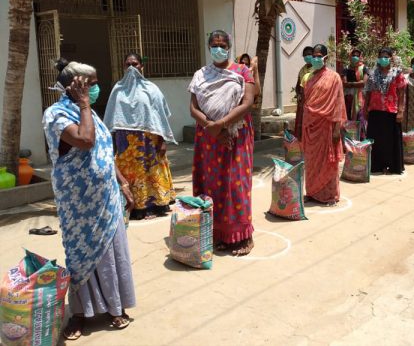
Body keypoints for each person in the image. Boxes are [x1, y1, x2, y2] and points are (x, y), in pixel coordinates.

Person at [42, 59, 135, 340]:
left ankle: (114, 306)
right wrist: (84, 104)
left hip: (106, 198)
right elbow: (86, 141)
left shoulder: (89, 112)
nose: (95, 89)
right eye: (90, 84)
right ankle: (80, 314)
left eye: (95, 83)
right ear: (74, 86)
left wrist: (122, 182)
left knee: (112, 253)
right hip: (78, 204)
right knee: (81, 257)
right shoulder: (56, 114)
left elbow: (104, 150)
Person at [189, 30, 256, 256]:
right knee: (212, 184)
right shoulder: (201, 74)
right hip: (209, 138)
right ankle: (219, 234)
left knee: (236, 184)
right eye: (214, 45)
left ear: (229, 47)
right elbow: (193, 108)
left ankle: (243, 236)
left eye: (222, 45)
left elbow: (247, 103)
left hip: (236, 136)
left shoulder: (242, 71)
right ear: (209, 48)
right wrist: (213, 128)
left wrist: (222, 124)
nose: (218, 48)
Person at [104, 53, 176, 220]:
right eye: (128, 64)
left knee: (151, 171)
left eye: (135, 64)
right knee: (131, 174)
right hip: (126, 143)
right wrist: (112, 143)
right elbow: (111, 117)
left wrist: (162, 140)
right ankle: (134, 206)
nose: (131, 67)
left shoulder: (151, 89)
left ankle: (157, 204)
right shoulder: (118, 89)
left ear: (141, 67)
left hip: (149, 140)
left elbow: (161, 116)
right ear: (123, 67)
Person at [301, 44, 346, 205]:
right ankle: (312, 192)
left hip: (326, 126)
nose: (316, 58)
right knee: (311, 161)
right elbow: (306, 102)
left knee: (328, 160)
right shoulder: (309, 77)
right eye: (314, 56)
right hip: (310, 127)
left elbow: (338, 104)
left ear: (326, 58)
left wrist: (336, 129)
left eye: (319, 56)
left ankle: (329, 195)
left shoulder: (334, 77)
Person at [364, 47, 406, 174]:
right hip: (375, 110)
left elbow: (401, 93)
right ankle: (376, 165)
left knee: (390, 140)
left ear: (391, 58)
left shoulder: (397, 73)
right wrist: (365, 108)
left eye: (386, 57)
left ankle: (391, 166)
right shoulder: (372, 74)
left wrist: (401, 111)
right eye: (381, 56)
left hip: (391, 111)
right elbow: (368, 93)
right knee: (376, 140)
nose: (383, 59)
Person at [342, 48, 369, 134]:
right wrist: (358, 83)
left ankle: (360, 137)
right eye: (353, 55)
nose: (355, 57)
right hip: (348, 97)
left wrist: (351, 84)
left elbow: (363, 83)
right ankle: (349, 137)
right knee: (348, 116)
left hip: (360, 98)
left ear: (360, 57)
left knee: (360, 117)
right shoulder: (346, 68)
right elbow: (344, 83)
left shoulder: (364, 68)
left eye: (357, 56)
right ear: (350, 56)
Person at [294, 46, 314, 139]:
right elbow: (298, 85)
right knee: (302, 121)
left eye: (309, 54)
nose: (307, 56)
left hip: (313, 100)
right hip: (303, 100)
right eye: (305, 55)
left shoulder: (316, 69)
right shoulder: (302, 70)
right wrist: (298, 95)